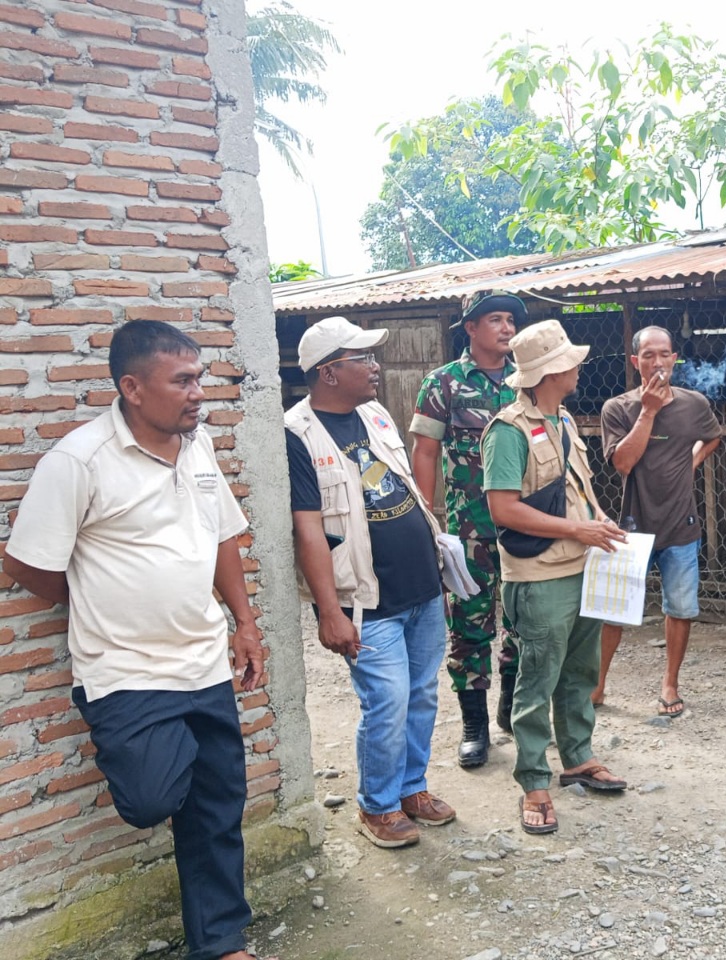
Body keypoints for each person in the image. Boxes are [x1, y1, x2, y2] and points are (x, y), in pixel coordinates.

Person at [3, 321, 264, 960]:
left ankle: (221, 941)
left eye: (199, 377)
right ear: (132, 387)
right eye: (182, 380)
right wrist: (95, 596)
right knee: (151, 800)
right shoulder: (80, 460)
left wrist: (245, 622)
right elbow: (26, 561)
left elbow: (223, 537)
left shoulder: (196, 446)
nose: (198, 392)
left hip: (203, 659)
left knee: (217, 805)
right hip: (125, 670)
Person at [285, 315, 454, 849]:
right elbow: (308, 530)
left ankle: (411, 788)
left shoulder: (374, 413)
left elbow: (389, 485)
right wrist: (328, 610)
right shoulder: (297, 434)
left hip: (422, 587)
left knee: (423, 694)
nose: (376, 365)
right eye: (364, 358)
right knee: (387, 702)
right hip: (366, 600)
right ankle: (376, 805)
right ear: (330, 371)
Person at [480, 319, 630, 834]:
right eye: (571, 360)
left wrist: (598, 520)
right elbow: (503, 509)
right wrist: (576, 529)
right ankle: (534, 780)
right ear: (551, 372)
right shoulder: (508, 431)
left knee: (579, 673)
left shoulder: (563, 420)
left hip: (582, 566)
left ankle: (579, 757)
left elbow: (577, 490)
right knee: (536, 680)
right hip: (538, 575)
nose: (579, 366)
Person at [410, 290, 525, 768]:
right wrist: (426, 520)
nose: (506, 328)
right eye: (494, 319)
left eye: (510, 320)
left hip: (524, 524)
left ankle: (511, 705)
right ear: (471, 328)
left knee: (525, 619)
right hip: (470, 528)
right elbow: (425, 453)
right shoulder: (444, 384)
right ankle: (474, 722)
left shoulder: (529, 379)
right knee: (470, 626)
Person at [596, 325, 722, 716]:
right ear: (635, 362)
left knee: (680, 608)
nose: (656, 362)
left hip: (681, 527)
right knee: (612, 610)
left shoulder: (694, 403)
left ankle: (670, 683)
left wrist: (692, 461)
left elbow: (713, 436)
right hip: (629, 527)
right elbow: (623, 462)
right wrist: (649, 410)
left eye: (663, 354)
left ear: (673, 358)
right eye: (647, 355)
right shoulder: (617, 408)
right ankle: (597, 685)